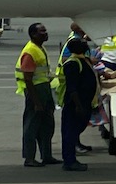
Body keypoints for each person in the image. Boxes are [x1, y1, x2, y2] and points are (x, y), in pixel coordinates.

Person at [15, 22, 57, 168]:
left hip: (44, 89)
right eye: (42, 31)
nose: (45, 33)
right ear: (33, 34)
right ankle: (29, 158)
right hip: (36, 91)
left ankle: (47, 155)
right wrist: (36, 102)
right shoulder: (30, 51)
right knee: (31, 127)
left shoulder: (39, 47)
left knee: (47, 125)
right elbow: (28, 79)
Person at [55, 36, 98, 172]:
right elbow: (72, 88)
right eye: (82, 43)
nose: (85, 44)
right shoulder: (72, 64)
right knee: (70, 132)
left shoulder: (82, 60)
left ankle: (70, 159)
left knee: (74, 131)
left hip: (84, 103)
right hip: (74, 105)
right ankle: (69, 161)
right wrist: (78, 105)